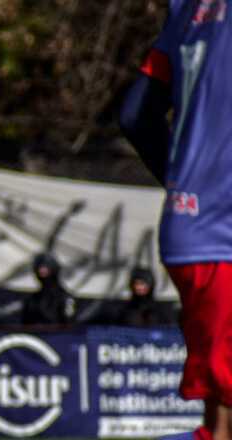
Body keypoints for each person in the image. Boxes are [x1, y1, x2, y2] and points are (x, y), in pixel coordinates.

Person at [118, 2, 232, 439]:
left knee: (220, 413)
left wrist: (187, 181)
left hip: (194, 228)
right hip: (221, 234)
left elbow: (136, 114)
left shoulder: (188, 8)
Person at [20, 253, 76, 326]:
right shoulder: (32, 300)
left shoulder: (66, 299)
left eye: (45, 270)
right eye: (40, 270)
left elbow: (69, 325)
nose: (42, 272)